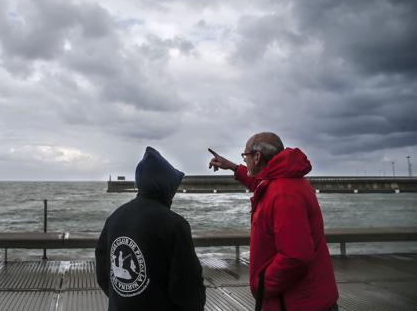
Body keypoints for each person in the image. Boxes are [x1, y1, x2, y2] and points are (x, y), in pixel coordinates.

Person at [209, 132, 338, 311]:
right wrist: (232, 167)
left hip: (299, 303)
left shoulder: (284, 195)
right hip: (305, 298)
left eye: (245, 155)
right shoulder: (284, 181)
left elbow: (295, 256)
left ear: (257, 157)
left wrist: (261, 285)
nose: (244, 160)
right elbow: (261, 184)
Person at [95, 146, 206, 311]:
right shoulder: (175, 225)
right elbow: (188, 289)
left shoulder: (115, 217)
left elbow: (103, 271)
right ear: (166, 186)